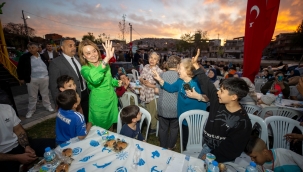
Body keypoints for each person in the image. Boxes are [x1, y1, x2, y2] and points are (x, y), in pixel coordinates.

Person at [191, 49, 252, 162]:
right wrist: (195, 64)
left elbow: (232, 149)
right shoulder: (217, 100)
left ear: (234, 97)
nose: (218, 92)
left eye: (222, 91)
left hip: (222, 157)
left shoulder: (243, 123)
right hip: (207, 148)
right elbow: (207, 84)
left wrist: (212, 156)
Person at [153, 58, 208, 151]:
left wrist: (198, 96)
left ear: (187, 70)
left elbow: (210, 97)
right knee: (185, 143)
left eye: (180, 69)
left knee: (196, 143)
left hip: (196, 120)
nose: (177, 71)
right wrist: (159, 79)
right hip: (183, 118)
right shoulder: (180, 81)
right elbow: (170, 88)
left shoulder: (198, 82)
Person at [79, 39, 122, 130]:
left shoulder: (104, 63)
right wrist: (106, 59)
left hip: (111, 100)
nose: (93, 55)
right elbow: (95, 79)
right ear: (84, 56)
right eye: (88, 53)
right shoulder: (85, 69)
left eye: (94, 51)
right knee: (97, 128)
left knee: (110, 126)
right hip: (98, 103)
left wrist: (116, 82)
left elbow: (108, 80)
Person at [0, 104, 56, 172]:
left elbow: (18, 130)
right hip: (4, 155)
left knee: (55, 144)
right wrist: (17, 157)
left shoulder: (6, 108)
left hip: (18, 144)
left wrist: (26, 146)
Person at [49, 37, 89, 123]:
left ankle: (86, 130)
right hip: (71, 96)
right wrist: (58, 103)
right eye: (70, 46)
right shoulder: (56, 63)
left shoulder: (78, 59)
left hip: (85, 92)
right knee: (75, 120)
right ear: (62, 48)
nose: (74, 48)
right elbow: (53, 85)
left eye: (74, 45)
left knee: (86, 116)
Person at [17, 42, 54, 118]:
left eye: (32, 47)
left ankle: (48, 106)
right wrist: (21, 78)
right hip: (32, 79)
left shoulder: (42, 56)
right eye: (29, 48)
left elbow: (47, 65)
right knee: (32, 96)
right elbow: (20, 68)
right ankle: (31, 110)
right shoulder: (24, 57)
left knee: (45, 94)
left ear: (37, 48)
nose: (30, 49)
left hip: (44, 78)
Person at [156, 55, 180, 150]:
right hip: (176, 107)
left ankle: (163, 146)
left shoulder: (162, 75)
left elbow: (157, 91)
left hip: (163, 106)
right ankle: (170, 146)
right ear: (178, 65)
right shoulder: (180, 76)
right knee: (174, 128)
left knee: (163, 128)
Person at [139, 52, 163, 134]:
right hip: (144, 92)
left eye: (155, 59)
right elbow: (141, 77)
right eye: (151, 58)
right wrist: (142, 80)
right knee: (147, 110)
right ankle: (148, 124)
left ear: (158, 61)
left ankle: (153, 128)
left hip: (152, 94)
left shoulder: (159, 71)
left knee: (152, 111)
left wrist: (150, 85)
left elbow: (160, 85)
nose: (152, 60)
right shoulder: (146, 67)